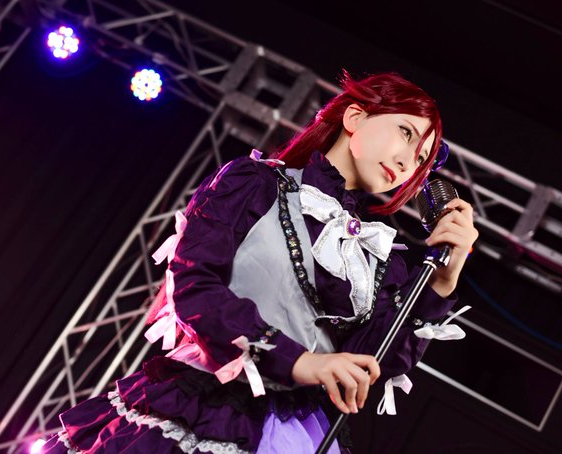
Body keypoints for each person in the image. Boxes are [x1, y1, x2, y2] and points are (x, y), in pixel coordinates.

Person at [41, 71, 479, 453]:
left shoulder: (379, 257)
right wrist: (301, 362)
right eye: (406, 132)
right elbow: (195, 286)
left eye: (420, 159)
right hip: (206, 400)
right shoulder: (254, 183)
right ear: (354, 117)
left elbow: (373, 362)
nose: (407, 161)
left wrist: (443, 281)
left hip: (295, 434)